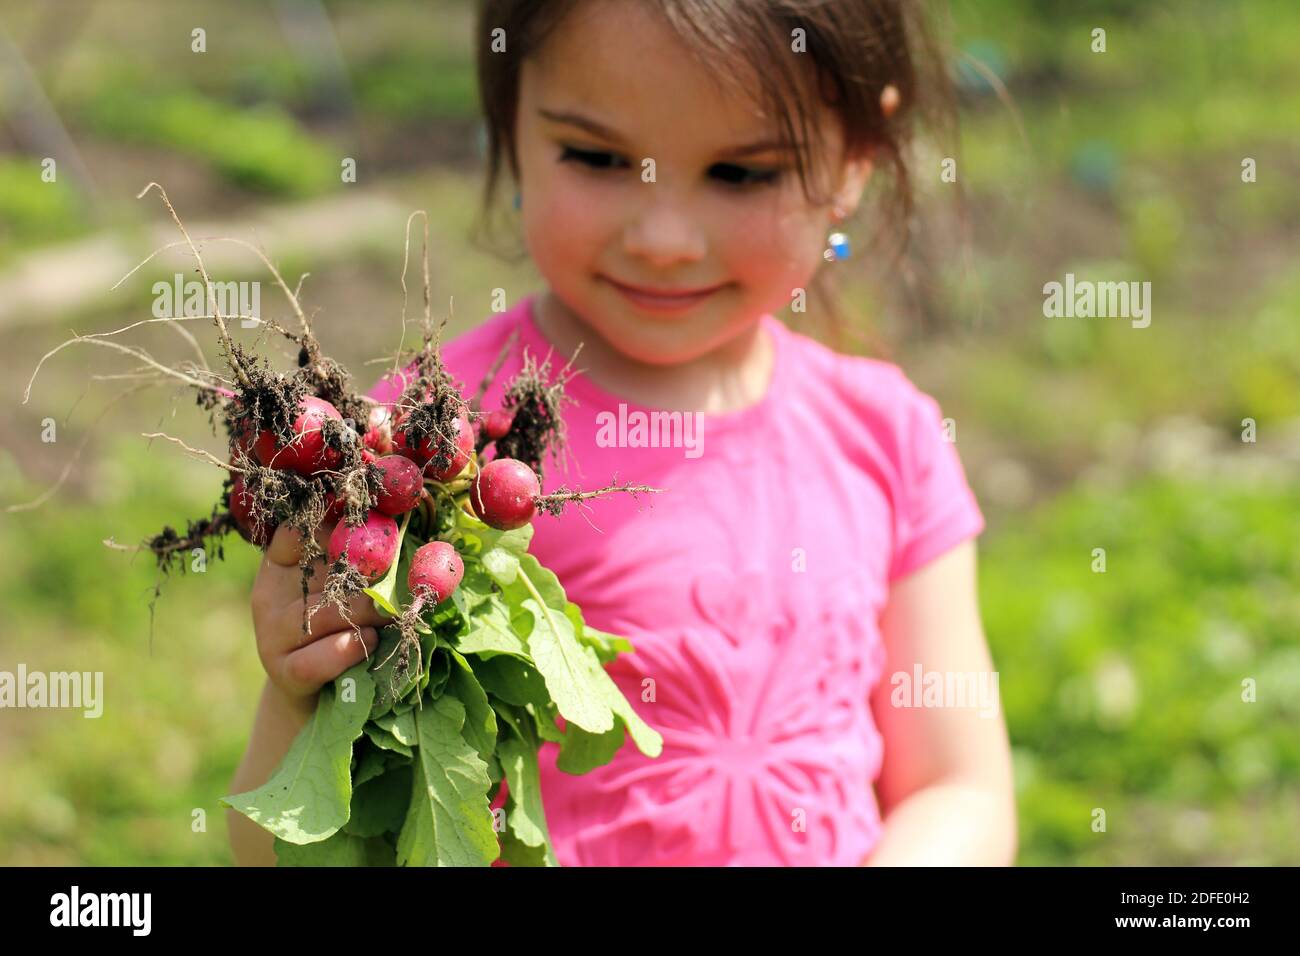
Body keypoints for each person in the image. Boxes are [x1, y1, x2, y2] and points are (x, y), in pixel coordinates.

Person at [228, 0, 1016, 866]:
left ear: (857, 158)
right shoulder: (427, 446)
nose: (664, 238)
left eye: (742, 174)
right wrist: (303, 691)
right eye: (599, 158)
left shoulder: (886, 439)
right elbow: (285, 849)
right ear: (509, 124)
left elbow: (959, 790)